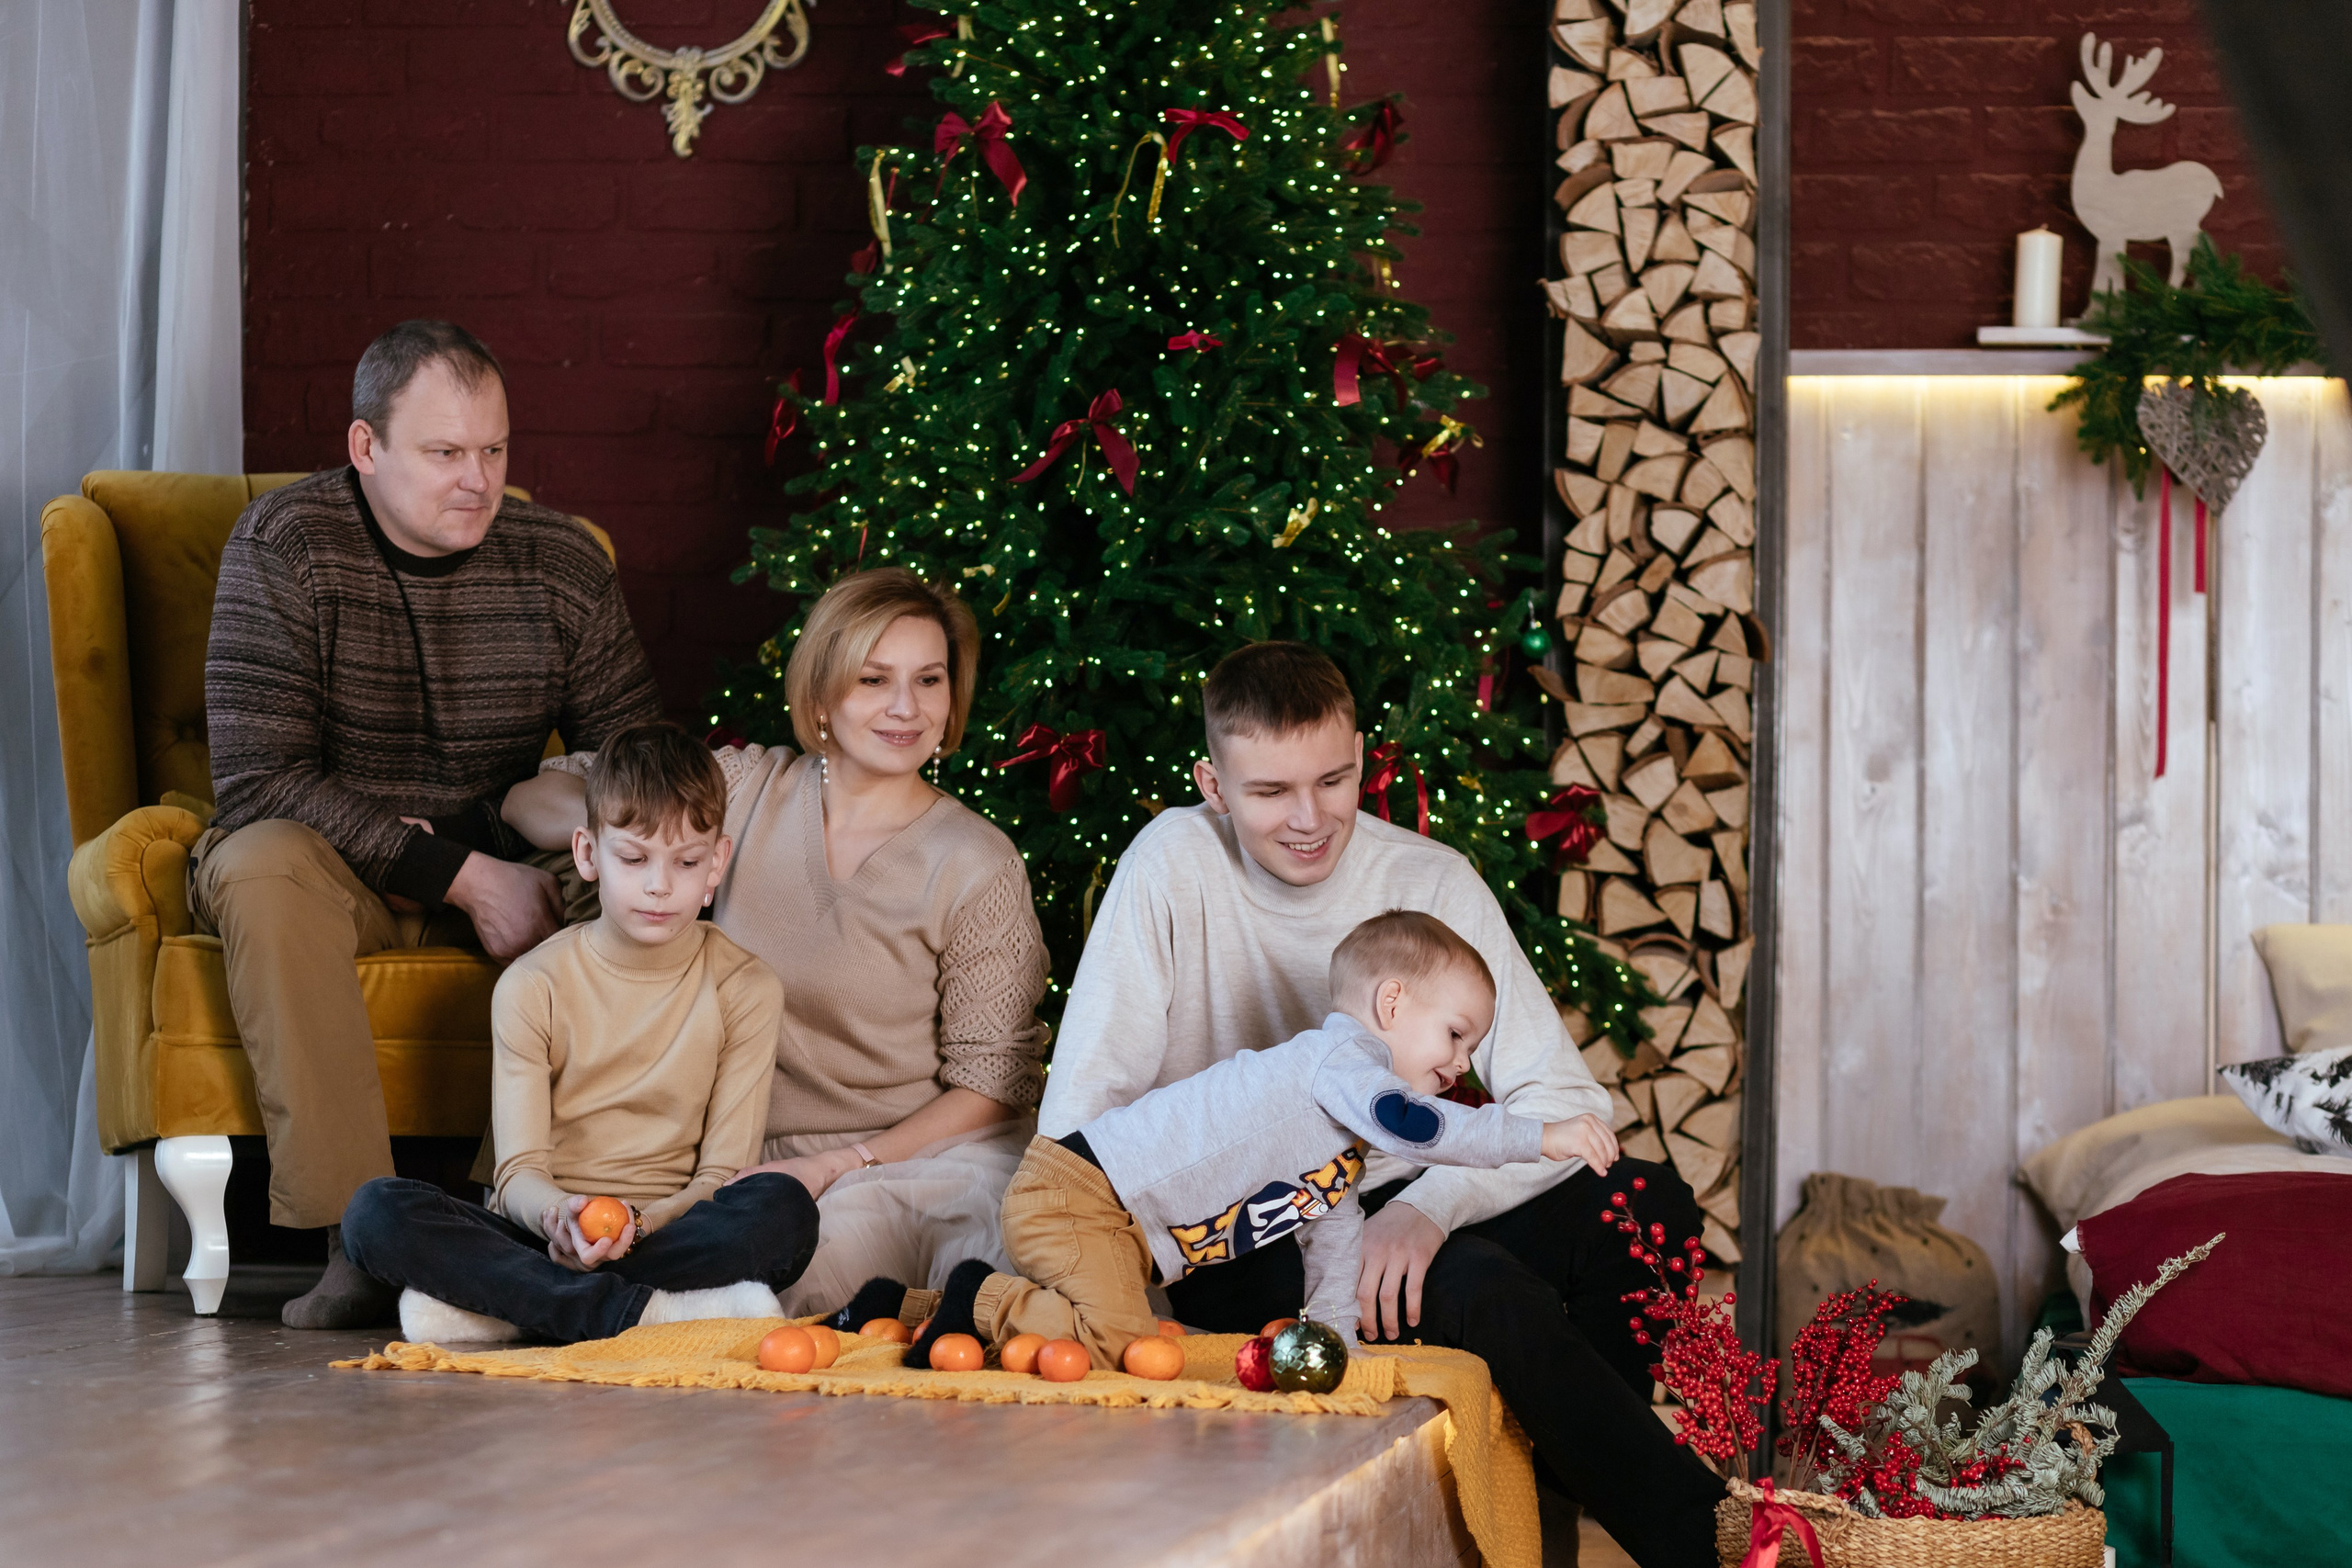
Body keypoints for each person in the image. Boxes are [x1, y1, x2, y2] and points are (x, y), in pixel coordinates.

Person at [1035, 641, 1727, 1568]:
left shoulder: (1429, 880)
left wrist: (1426, 1211)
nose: (1311, 819)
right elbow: (1079, 1116)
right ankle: (1708, 1542)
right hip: (1244, 1225)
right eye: (1271, 792)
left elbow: (1562, 1096)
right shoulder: (1168, 866)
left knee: (1649, 1206)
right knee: (1480, 1287)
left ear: (1364, 753)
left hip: (1407, 1186)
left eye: (1335, 779)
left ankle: (1582, 1476)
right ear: (1212, 781)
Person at [200, 319, 662, 1329]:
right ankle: (361, 1239)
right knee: (258, 865)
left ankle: (526, 1224)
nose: (478, 481)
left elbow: (642, 776)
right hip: (336, 874)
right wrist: (463, 871)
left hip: (501, 853)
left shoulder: (562, 563)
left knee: (638, 873)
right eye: (445, 453)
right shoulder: (286, 544)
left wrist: (490, 834)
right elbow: (258, 780)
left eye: (494, 450)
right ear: (367, 449)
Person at [502, 568, 1049, 1320]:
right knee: (666, 1234)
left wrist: (837, 1164)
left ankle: (558, 1300)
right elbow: (531, 794)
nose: (905, 707)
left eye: (929, 680)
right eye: (873, 678)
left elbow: (991, 1088)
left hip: (897, 1161)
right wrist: (631, 833)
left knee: (798, 1267)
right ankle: (592, 1296)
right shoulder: (744, 786)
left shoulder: (976, 862)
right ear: (822, 694)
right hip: (724, 1153)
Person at [885, 909, 1614, 1372]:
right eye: (1456, 1035)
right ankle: (978, 1295)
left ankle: (909, 1308)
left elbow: (1333, 1247)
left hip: (1117, 1227)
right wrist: (1539, 1133)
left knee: (1119, 1335)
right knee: (1116, 1342)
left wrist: (1343, 1350)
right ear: (1392, 1001)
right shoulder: (1339, 1064)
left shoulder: (1335, 1143)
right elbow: (1427, 1129)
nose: (1461, 1064)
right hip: (1077, 1192)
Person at [342, 724, 815, 1344]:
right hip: (546, 1232)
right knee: (374, 1213)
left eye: (687, 861)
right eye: (634, 857)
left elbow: (719, 1177)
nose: (659, 884)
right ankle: (643, 1314)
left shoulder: (746, 987)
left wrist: (636, 1225)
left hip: (669, 1230)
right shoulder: (532, 983)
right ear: (588, 853)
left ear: (717, 863)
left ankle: (520, 1306)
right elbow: (516, 1173)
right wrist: (560, 1219)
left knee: (783, 1209)